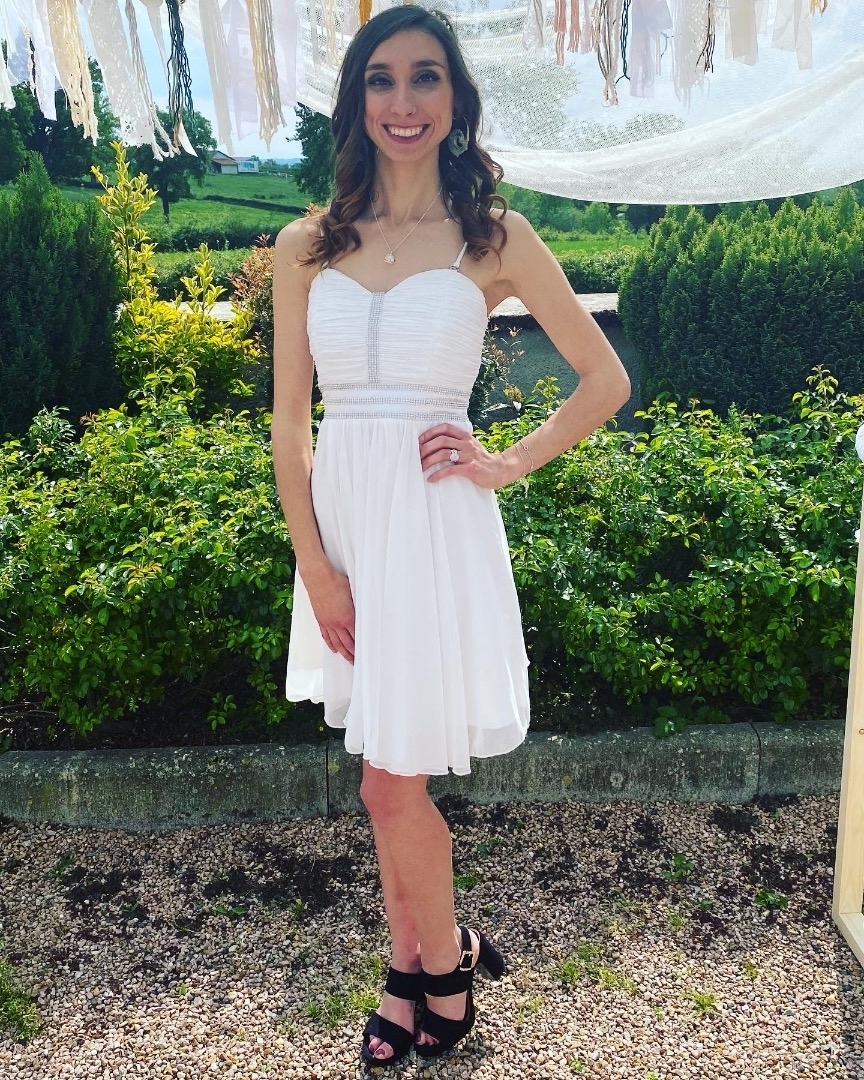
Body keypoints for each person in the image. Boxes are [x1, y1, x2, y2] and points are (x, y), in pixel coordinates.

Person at [271, 5, 630, 1065]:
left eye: (425, 77)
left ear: (456, 98)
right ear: (355, 101)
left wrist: (506, 461)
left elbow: (604, 378)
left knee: (392, 779)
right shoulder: (306, 246)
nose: (403, 101)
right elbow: (289, 426)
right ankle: (425, 963)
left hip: (434, 528)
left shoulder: (495, 238)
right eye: (380, 79)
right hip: (346, 532)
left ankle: (438, 966)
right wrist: (314, 565)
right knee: (382, 774)